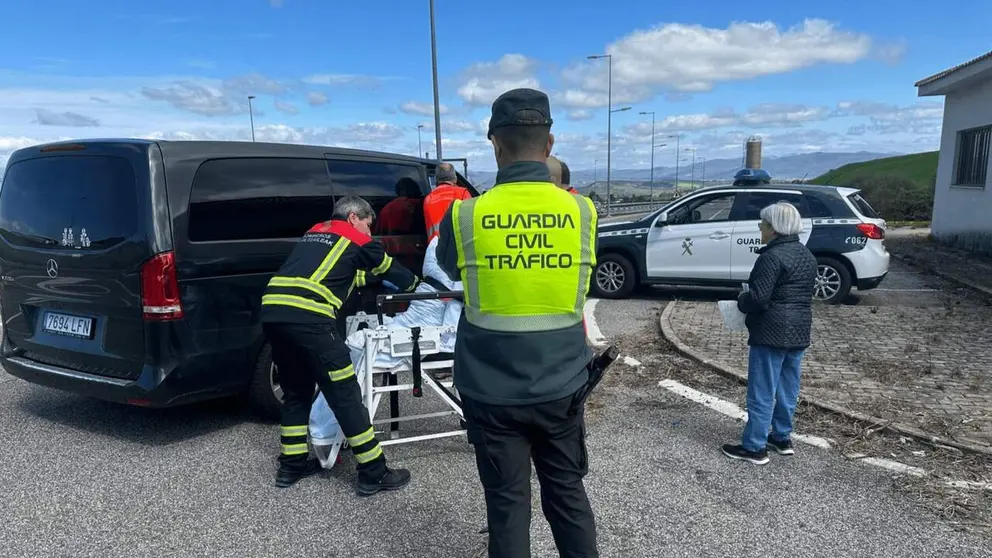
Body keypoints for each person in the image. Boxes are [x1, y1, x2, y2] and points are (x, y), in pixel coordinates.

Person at [435, 88, 600, 557]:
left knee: (506, 507)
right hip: (562, 384)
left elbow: (452, 269)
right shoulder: (583, 211)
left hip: (490, 389)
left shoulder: (465, 214)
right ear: (549, 145)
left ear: (494, 143)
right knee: (567, 494)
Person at [260, 195, 420, 494]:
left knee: (297, 391)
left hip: (273, 312)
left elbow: (339, 274)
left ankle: (291, 466)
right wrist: (415, 285)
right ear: (353, 219)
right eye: (368, 225)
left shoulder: (316, 233)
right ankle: (373, 471)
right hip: (309, 318)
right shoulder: (357, 240)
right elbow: (389, 269)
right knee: (345, 392)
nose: (370, 233)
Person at [723, 201, 817, 465]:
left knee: (762, 389)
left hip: (771, 331)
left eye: (762, 225)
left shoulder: (770, 257)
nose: (760, 229)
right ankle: (782, 437)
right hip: (799, 330)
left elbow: (758, 299)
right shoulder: (806, 255)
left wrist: (741, 299)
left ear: (774, 229)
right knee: (788, 387)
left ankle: (754, 446)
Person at [423, 162, 471, 243]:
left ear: (436, 180)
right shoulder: (462, 193)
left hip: (436, 249)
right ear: (455, 178)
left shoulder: (428, 199)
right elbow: (470, 221)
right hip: (458, 246)